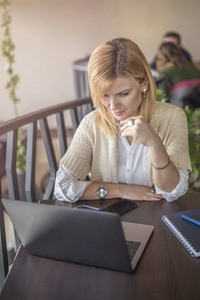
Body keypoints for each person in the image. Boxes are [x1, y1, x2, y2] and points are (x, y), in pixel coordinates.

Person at [54, 38, 191, 203]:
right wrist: (121, 190)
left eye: (123, 93)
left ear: (144, 83)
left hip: (157, 219)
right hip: (111, 221)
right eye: (104, 95)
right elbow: (62, 187)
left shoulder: (173, 117)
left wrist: (155, 144)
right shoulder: (92, 123)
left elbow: (172, 192)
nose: (112, 106)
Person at [156, 42, 200, 107]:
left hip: (180, 107)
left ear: (161, 55)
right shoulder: (191, 66)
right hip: (196, 106)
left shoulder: (165, 71)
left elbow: (162, 94)